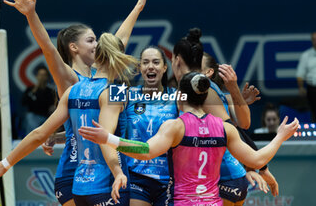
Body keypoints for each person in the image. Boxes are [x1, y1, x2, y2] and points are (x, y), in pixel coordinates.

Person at [4, 0, 147, 206]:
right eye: (91, 40)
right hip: (77, 171)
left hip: (105, 167)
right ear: (74, 47)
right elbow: (48, 49)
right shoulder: (72, 81)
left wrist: (137, 8)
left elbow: (119, 43)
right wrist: (31, 15)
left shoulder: (105, 82)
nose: (96, 44)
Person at [78, 72, 299, 206]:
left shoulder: (175, 127)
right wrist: (280, 136)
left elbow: (145, 151)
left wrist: (108, 138)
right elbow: (259, 159)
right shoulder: (224, 129)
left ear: (180, 97)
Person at [0, 33, 139, 206]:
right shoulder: (114, 91)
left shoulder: (73, 91)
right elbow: (105, 138)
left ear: (96, 57)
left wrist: (5, 164)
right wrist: (118, 172)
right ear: (119, 58)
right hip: (107, 185)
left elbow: (40, 134)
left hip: (80, 188)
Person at [171, 28, 278, 205]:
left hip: (223, 177)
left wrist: (261, 167)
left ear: (177, 60)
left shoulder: (205, 91)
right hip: (217, 177)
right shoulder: (197, 89)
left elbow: (235, 129)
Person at [124, 47, 178, 206]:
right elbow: (104, 123)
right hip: (136, 176)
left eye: (156, 62)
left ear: (164, 67)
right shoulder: (127, 95)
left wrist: (234, 101)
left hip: (168, 178)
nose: (150, 66)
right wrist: (58, 136)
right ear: (140, 68)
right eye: (145, 62)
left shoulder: (177, 97)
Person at [21, 66, 56, 135]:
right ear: (36, 76)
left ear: (47, 77)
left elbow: (52, 106)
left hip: (46, 117)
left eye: (44, 75)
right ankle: (31, 139)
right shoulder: (30, 90)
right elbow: (23, 102)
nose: (42, 77)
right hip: (33, 116)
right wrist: (34, 91)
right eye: (40, 75)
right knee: (30, 117)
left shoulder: (50, 91)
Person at [296, 32, 316, 122]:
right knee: (313, 113)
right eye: (314, 39)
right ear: (312, 41)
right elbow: (300, 74)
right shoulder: (306, 55)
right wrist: (301, 87)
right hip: (312, 89)